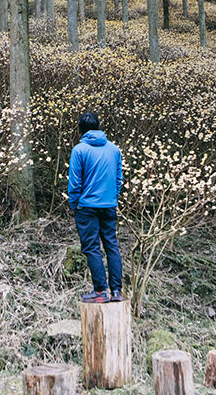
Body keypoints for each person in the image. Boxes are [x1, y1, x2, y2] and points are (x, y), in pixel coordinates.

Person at [68, 112, 124, 303]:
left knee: (92, 248)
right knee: (111, 245)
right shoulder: (114, 149)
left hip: (87, 206)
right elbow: (118, 180)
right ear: (99, 126)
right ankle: (117, 291)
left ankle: (101, 290)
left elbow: (75, 183)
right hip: (109, 205)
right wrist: (112, 197)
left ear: (80, 129)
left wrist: (74, 204)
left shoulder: (79, 150)